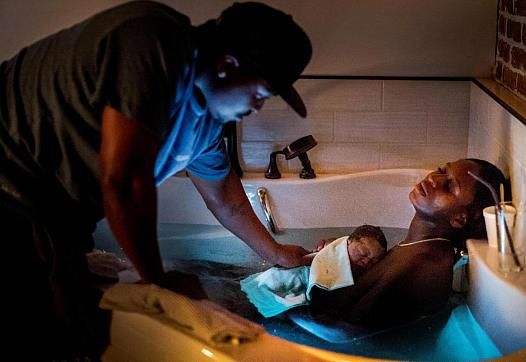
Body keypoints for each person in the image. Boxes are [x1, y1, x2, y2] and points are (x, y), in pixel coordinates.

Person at [0, 1, 312, 359]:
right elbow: (125, 180)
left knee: (80, 327)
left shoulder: (207, 123)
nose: (258, 107)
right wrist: (158, 282)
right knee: (33, 328)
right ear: (228, 65)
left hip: (59, 210)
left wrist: (277, 254)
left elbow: (226, 199)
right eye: (260, 95)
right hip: (12, 181)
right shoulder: (151, 41)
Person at [309, 158, 506, 328]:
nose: (433, 179)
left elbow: (348, 328)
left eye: (448, 187)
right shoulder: (421, 246)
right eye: (441, 170)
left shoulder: (422, 267)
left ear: (458, 219)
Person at [240, 224, 388, 318]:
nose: (366, 261)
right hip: (267, 287)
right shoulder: (327, 260)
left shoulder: (346, 257)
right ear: (349, 241)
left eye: (374, 261)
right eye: (363, 253)